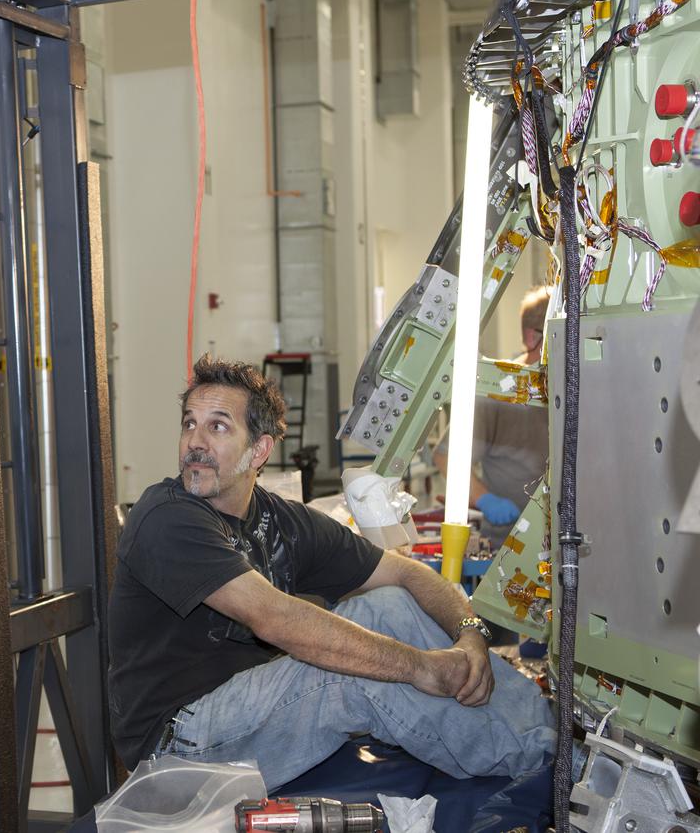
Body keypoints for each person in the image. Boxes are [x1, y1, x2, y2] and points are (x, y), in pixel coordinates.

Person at [107, 356, 554, 791]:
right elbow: (274, 617)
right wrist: (419, 666)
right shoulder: (166, 518)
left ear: (259, 449)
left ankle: (547, 739)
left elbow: (408, 574)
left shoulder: (282, 520)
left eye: (217, 426)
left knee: (388, 605)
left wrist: (470, 632)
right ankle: (541, 770)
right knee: (350, 669)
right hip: (177, 744)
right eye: (189, 423)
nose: (194, 442)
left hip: (246, 713)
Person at [433, 285, 552, 546]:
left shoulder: (569, 389)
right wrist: (486, 499)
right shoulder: (499, 392)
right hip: (508, 544)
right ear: (533, 338)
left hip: (562, 540)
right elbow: (446, 457)